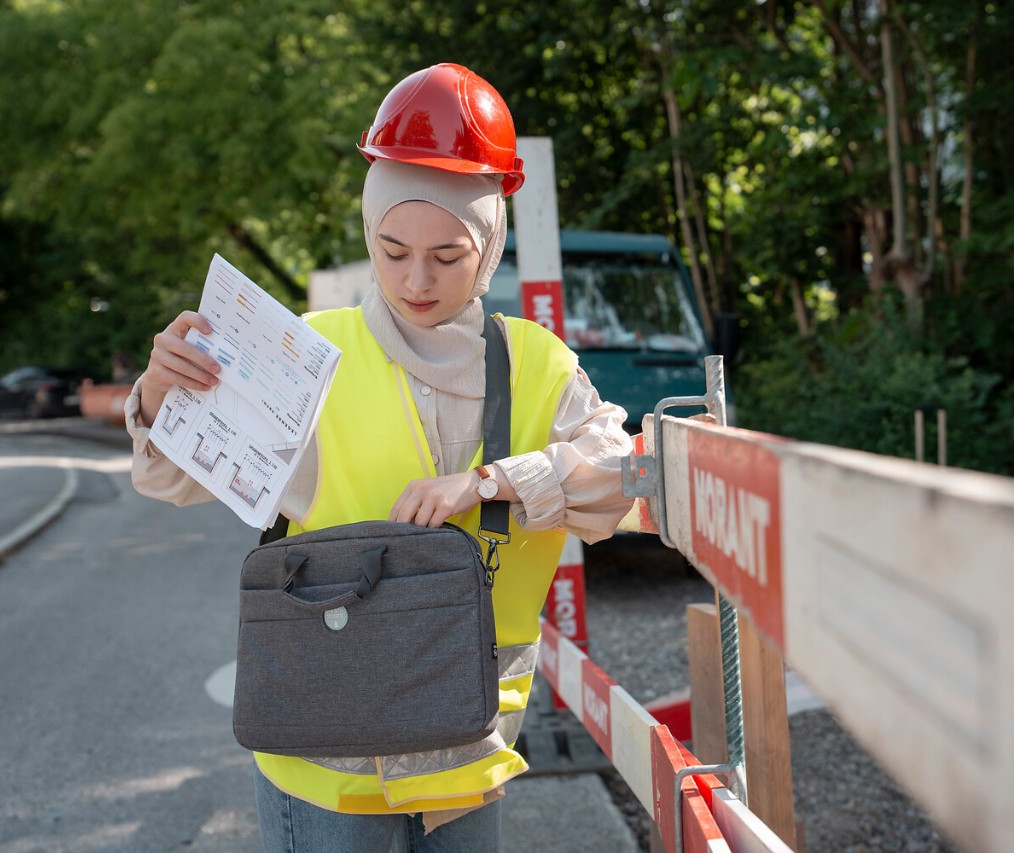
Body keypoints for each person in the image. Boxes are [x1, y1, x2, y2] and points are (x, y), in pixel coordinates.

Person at [126, 63, 635, 851]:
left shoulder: (540, 365)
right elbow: (172, 477)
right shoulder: (307, 352)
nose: (416, 280)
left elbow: (618, 477)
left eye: (448, 255)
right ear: (369, 236)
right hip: (323, 763)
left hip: (465, 755)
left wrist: (494, 479)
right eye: (393, 251)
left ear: (490, 244)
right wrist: (163, 393)